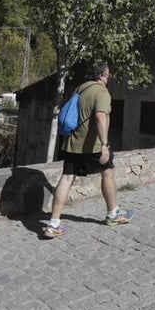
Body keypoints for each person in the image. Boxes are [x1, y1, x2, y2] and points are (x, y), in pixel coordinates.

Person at [42, 61, 134, 239]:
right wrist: (105, 144)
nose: (108, 79)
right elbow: (100, 117)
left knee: (66, 178)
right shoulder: (101, 92)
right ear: (100, 75)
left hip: (72, 143)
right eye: (107, 75)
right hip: (92, 145)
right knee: (108, 172)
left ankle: (53, 224)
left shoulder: (80, 89)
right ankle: (113, 214)